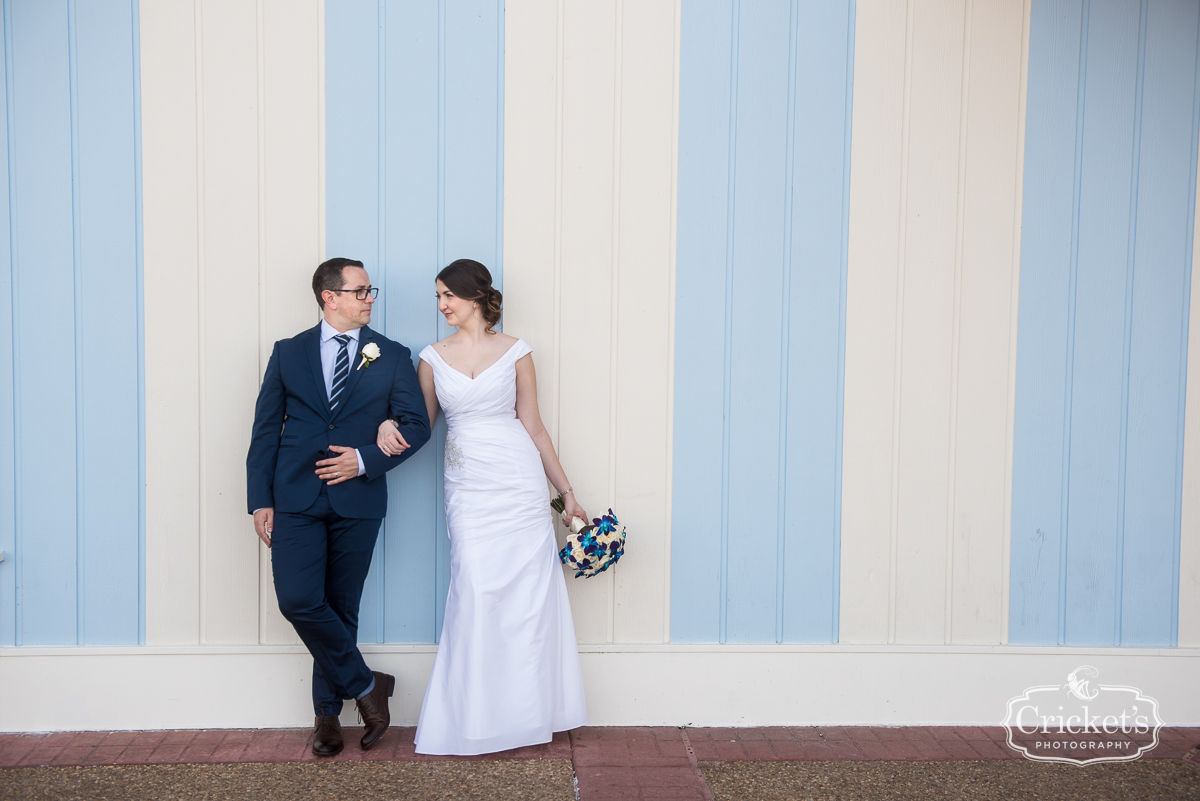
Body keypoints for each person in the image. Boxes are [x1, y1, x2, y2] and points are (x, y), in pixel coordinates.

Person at [376, 258, 588, 755]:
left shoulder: (517, 351)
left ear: (476, 297)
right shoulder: (431, 357)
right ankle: (474, 716)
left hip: (519, 484)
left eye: (448, 295)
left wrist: (566, 492)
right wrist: (385, 427)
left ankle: (531, 713)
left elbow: (533, 426)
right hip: (468, 488)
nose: (442, 305)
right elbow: (419, 427)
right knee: (474, 590)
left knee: (529, 601)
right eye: (438, 296)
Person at [246, 257, 431, 757]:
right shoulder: (288, 353)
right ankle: (368, 686)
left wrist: (365, 460)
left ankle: (326, 716)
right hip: (295, 498)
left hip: (358, 500)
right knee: (299, 601)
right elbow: (266, 429)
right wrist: (260, 499)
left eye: (371, 291)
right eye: (362, 290)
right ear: (330, 296)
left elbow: (417, 427)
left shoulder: (391, 355)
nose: (371, 298)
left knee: (339, 606)